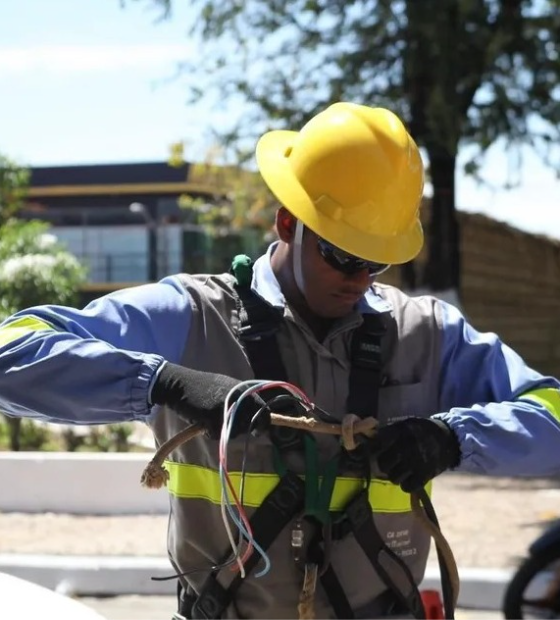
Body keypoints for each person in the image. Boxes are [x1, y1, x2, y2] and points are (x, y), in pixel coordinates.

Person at [1, 102, 559, 620]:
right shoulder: (191, 317)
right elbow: (13, 350)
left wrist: (453, 438)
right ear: (288, 223)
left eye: (377, 263)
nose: (360, 280)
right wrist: (162, 382)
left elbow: (552, 414)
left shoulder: (428, 335)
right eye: (343, 256)